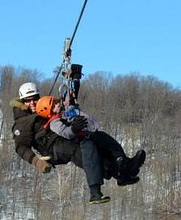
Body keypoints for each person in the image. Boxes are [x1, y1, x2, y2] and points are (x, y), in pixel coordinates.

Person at [10, 82, 145, 205]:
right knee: (82, 151)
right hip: (52, 147)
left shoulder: (44, 107)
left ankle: (125, 167)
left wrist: (74, 79)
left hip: (65, 136)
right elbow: (21, 147)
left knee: (96, 138)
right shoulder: (22, 122)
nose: (32, 103)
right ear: (22, 102)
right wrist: (37, 162)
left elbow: (66, 103)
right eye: (28, 101)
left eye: (34, 98)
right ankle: (98, 189)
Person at [35, 95, 146, 183]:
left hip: (91, 133)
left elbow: (69, 96)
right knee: (104, 159)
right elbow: (65, 133)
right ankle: (121, 173)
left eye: (56, 102)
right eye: (54, 105)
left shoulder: (65, 109)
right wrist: (73, 129)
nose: (57, 104)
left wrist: (74, 80)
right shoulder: (54, 122)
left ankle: (126, 165)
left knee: (110, 144)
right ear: (49, 111)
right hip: (82, 141)